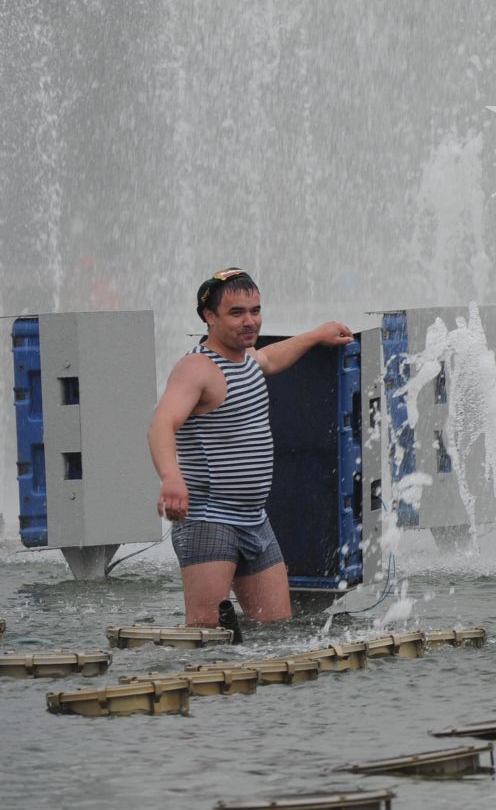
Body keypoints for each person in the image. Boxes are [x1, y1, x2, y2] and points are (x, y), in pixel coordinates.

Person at [146, 268, 354, 627]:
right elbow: (162, 424)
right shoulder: (197, 368)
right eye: (236, 313)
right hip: (209, 520)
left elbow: (271, 358)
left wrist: (316, 335)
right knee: (207, 632)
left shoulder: (247, 361)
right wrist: (171, 478)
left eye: (255, 311)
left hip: (254, 520)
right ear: (209, 317)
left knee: (276, 629)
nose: (250, 322)